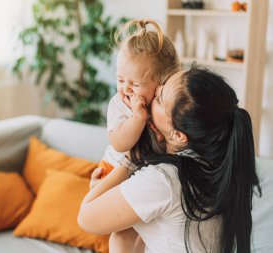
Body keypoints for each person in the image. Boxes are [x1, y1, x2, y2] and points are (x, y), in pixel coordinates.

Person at [78, 66, 261, 253]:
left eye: (159, 99)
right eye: (162, 85)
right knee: (121, 235)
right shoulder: (218, 170)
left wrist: (132, 158)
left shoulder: (165, 180)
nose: (155, 89)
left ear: (178, 136)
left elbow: (85, 219)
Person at [98, 19, 180, 180]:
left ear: (162, 83)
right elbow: (119, 144)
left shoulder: (167, 108)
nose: (126, 88)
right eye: (120, 80)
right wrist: (137, 118)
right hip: (113, 170)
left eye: (135, 84)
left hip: (144, 174)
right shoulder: (120, 104)